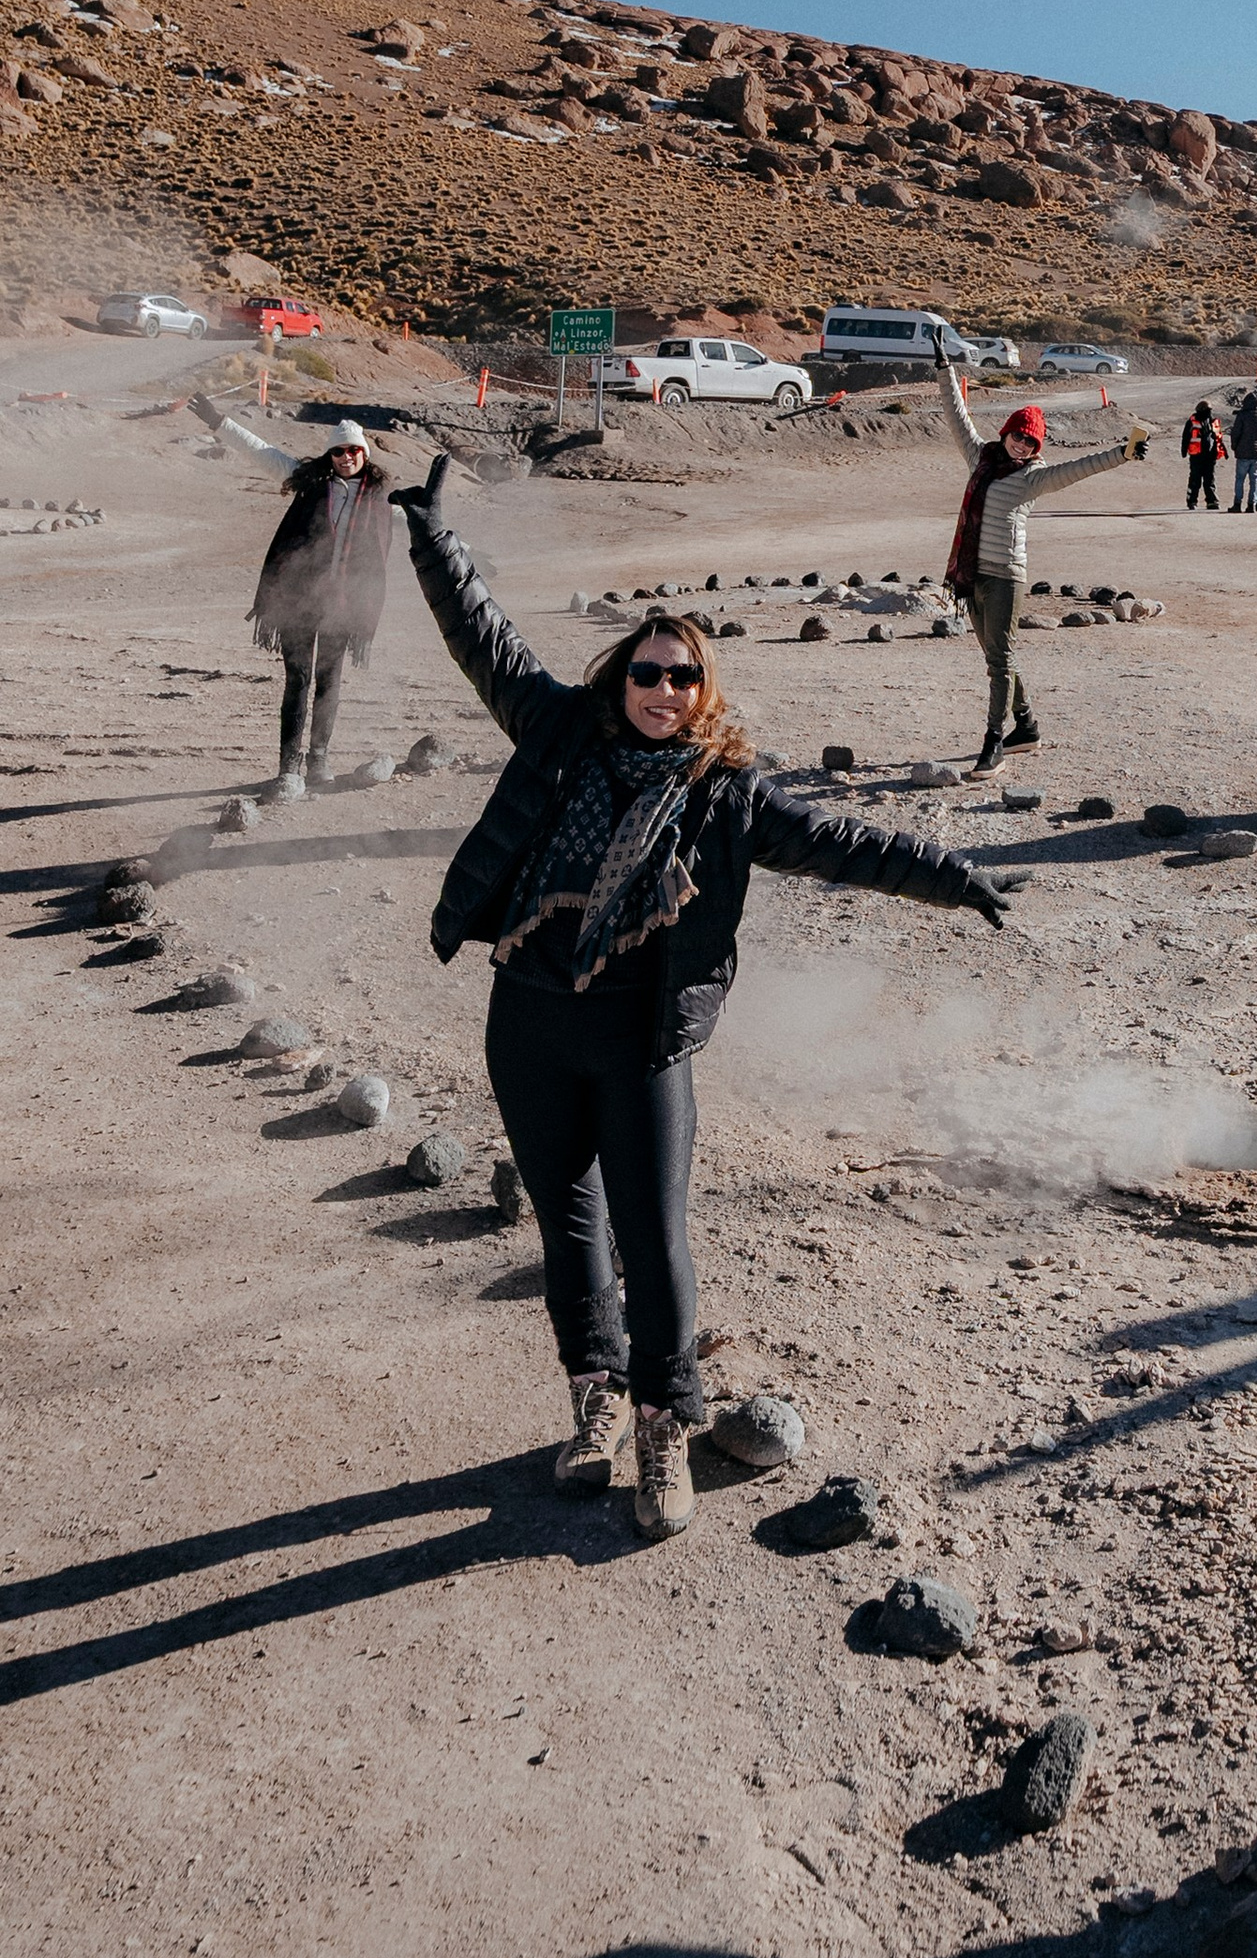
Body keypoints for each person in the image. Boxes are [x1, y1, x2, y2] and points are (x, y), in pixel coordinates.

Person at [394, 456, 1011, 1539]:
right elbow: (482, 637)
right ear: (619, 677)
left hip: (641, 1042)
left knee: (654, 1237)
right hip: (529, 1021)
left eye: (683, 677)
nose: (662, 690)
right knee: (570, 1229)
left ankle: (663, 1423)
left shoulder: (727, 795)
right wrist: (434, 538)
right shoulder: (557, 729)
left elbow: (845, 844)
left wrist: (952, 877)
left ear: (703, 691)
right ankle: (594, 1401)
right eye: (647, 671)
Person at [937, 344, 1150, 771]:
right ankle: (1027, 726)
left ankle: (994, 743)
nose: (1022, 445)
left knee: (1000, 661)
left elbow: (1079, 468)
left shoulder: (1033, 477)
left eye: (1031, 441)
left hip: (1005, 578)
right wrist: (944, 369)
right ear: (1006, 433)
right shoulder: (980, 457)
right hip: (972, 575)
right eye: (1018, 436)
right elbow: (957, 414)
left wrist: (1122, 454)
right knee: (996, 656)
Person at [210, 408, 397, 800]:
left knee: (329, 681)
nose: (346, 457)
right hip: (298, 598)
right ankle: (289, 765)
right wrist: (219, 423)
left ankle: (319, 760)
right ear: (329, 455)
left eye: (353, 450)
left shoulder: (379, 500)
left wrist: (462, 550)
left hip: (343, 603)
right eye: (338, 451)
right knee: (298, 679)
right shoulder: (311, 483)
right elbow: (263, 453)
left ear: (364, 454)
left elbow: (420, 524)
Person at [1230, 379, 1257, 514]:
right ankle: (1251, 505)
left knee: (1240, 479)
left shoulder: (1242, 415)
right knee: (1255, 480)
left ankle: (1237, 504)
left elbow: (1235, 433)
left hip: (1243, 453)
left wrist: (1235, 447)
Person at [1182, 396, 1227, 510]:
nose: (1209, 412)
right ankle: (1192, 501)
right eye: (1207, 410)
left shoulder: (1213, 422)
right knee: (1195, 480)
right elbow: (1186, 436)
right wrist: (1184, 450)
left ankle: (1212, 501)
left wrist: (1224, 450)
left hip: (1210, 456)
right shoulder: (1192, 421)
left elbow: (1218, 437)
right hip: (1196, 455)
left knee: (1209, 480)